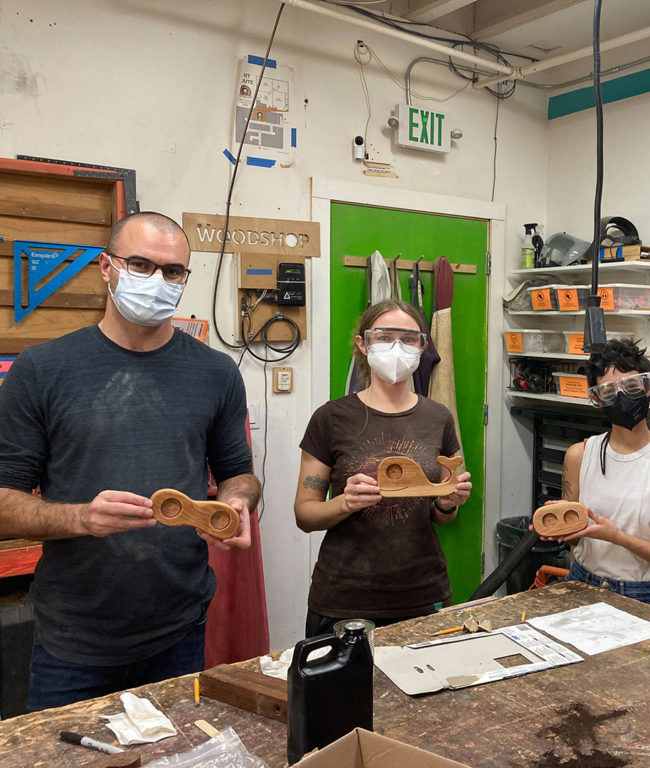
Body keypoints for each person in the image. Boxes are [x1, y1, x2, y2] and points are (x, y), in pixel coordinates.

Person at [0, 211, 260, 711]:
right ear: (106, 267)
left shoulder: (215, 372)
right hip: (74, 640)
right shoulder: (41, 369)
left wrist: (234, 504)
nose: (157, 281)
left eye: (173, 271)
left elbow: (239, 474)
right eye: (140, 264)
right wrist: (80, 517)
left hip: (179, 628)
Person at [294, 299, 472, 636]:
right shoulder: (331, 418)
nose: (397, 347)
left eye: (408, 338)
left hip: (423, 594)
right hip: (343, 599)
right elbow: (304, 515)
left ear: (422, 346)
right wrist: (345, 502)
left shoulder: (439, 418)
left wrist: (448, 503)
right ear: (362, 344)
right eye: (385, 336)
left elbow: (442, 515)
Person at [537, 339, 650, 610]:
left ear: (649, 388)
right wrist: (559, 527)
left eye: (632, 385)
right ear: (596, 398)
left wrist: (619, 538)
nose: (622, 395)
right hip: (582, 585)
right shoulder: (579, 455)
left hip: (642, 596)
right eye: (609, 390)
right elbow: (575, 539)